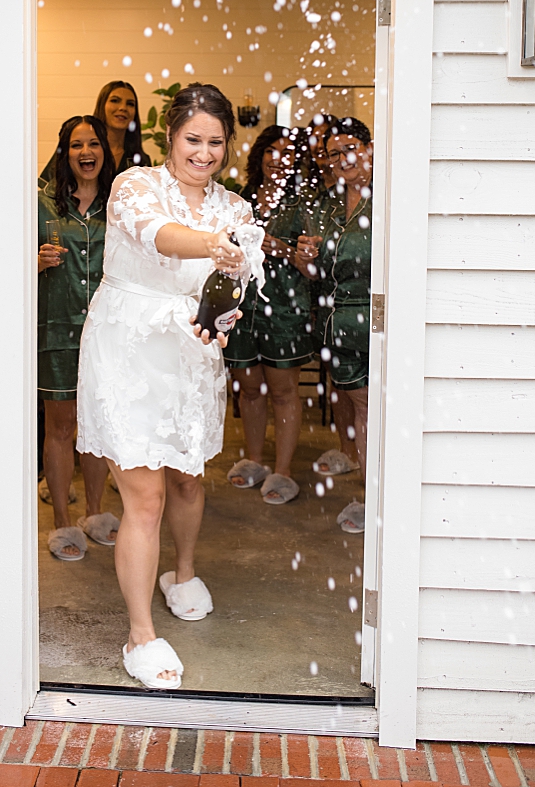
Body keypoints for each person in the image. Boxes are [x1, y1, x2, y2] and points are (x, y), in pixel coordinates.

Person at [76, 83, 265, 690]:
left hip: (191, 349)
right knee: (146, 495)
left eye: (215, 143)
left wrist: (227, 315)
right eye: (193, 140)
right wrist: (216, 247)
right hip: (129, 347)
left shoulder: (235, 208)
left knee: (188, 476)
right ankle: (139, 633)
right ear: (170, 138)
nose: (204, 153)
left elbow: (235, 287)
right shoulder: (132, 186)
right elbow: (158, 236)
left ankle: (181, 573)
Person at [223, 126, 320, 505]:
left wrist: (276, 247)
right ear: (259, 155)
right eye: (271, 151)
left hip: (285, 310)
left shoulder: (304, 205)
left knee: (282, 392)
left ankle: (283, 470)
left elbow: (310, 267)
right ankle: (254, 461)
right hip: (242, 308)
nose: (277, 159)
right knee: (249, 390)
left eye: (287, 153)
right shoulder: (240, 200)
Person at [37, 116, 119, 561]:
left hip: (108, 334)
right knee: (61, 426)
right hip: (58, 330)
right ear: (64, 152)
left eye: (93, 144)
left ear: (104, 151)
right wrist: (35, 261)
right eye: (75, 145)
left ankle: (95, 513)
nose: (85, 152)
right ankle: (63, 524)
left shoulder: (120, 206)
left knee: (97, 428)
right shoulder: (41, 204)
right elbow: (8, 264)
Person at [302, 118, 375, 534]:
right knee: (361, 409)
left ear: (368, 148)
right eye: (332, 153)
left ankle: (388, 496)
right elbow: (316, 273)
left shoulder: (387, 196)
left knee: (381, 409)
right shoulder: (326, 205)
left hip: (378, 316)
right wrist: (306, 257)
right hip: (338, 323)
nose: (341, 159)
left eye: (349, 148)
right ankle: (369, 495)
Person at [93, 80, 152, 172]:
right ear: (102, 106)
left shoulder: (141, 161)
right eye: (115, 101)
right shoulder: (87, 153)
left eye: (130, 104)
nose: (123, 108)